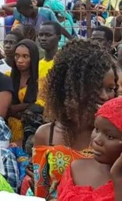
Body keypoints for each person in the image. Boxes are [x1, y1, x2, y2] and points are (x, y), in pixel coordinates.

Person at [33, 39, 118, 199]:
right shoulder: (46, 135)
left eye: (110, 89)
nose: (105, 96)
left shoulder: (113, 137)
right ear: (70, 87)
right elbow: (41, 193)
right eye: (95, 88)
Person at [57, 97, 122, 200]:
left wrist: (118, 176)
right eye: (96, 129)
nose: (97, 140)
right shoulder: (75, 168)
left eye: (110, 136)